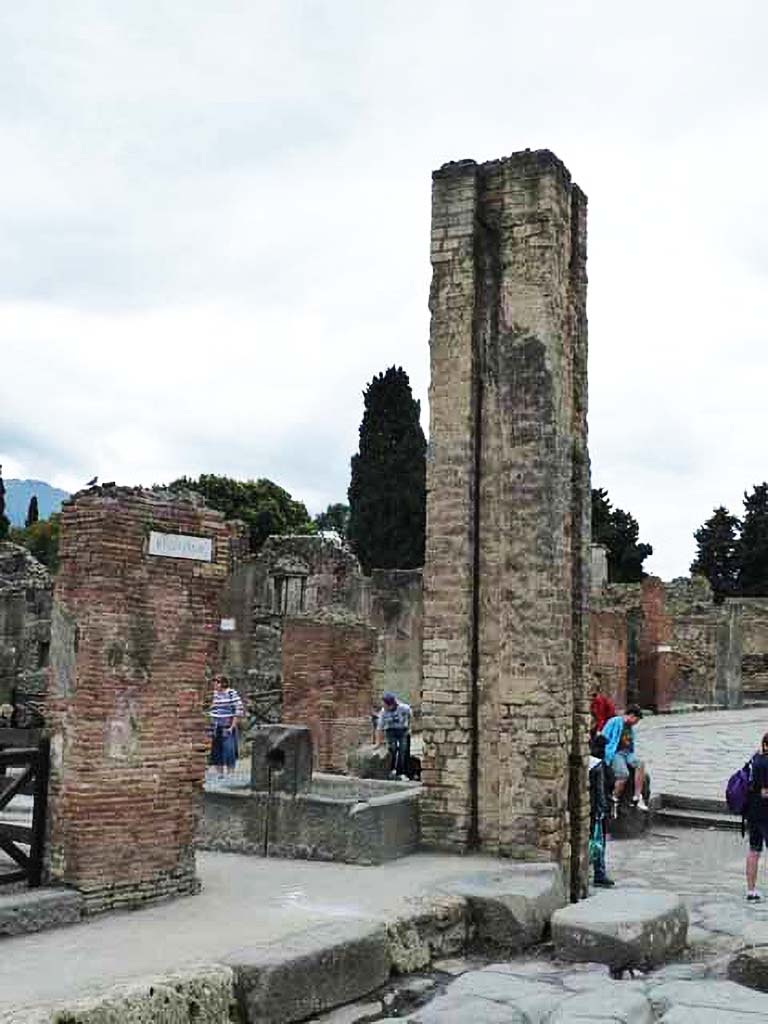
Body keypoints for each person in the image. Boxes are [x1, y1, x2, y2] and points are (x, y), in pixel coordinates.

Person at [601, 705, 648, 813]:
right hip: (616, 753)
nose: (637, 723)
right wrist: (606, 754)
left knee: (640, 764)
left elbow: (630, 744)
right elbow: (604, 737)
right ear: (631, 716)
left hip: (628, 753)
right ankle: (614, 798)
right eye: (637, 720)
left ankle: (637, 796)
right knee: (623, 775)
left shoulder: (630, 727)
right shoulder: (614, 722)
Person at [589, 733, 615, 887]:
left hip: (588, 808)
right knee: (598, 841)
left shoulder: (588, 763)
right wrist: (604, 809)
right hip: (597, 811)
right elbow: (603, 789)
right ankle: (599, 873)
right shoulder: (599, 765)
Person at [745, 732, 768, 901]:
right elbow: (765, 792)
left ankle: (751, 891)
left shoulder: (755, 758)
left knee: (754, 850)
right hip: (765, 812)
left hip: (752, 811)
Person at [209, 674, 245, 777]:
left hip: (227, 725)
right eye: (214, 682)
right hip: (216, 725)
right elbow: (213, 708)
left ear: (223, 683)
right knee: (216, 749)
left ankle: (230, 773)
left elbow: (238, 710)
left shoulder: (231, 693)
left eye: (217, 682)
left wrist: (232, 726)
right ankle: (220, 773)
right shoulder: (215, 694)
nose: (214, 684)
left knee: (229, 749)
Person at [376, 691, 411, 780]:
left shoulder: (404, 708)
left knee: (403, 750)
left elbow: (411, 715)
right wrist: (378, 743)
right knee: (393, 749)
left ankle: (401, 772)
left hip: (402, 730)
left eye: (385, 705)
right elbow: (379, 728)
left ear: (391, 705)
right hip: (390, 731)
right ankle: (391, 770)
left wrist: (410, 728)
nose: (383, 706)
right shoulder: (383, 712)